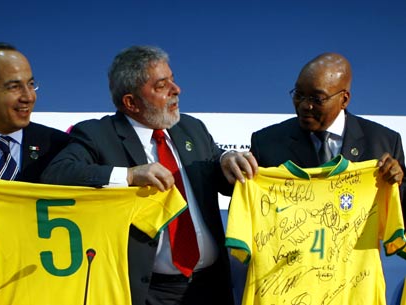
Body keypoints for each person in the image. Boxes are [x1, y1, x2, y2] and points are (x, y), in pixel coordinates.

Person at [41, 45, 257, 305]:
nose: (176, 90)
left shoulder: (192, 128)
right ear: (130, 102)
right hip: (149, 292)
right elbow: (57, 174)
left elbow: (215, 168)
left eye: (173, 80)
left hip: (211, 285)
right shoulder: (97, 135)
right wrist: (130, 175)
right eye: (161, 85)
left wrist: (227, 159)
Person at [0, 42, 70, 304]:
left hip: (45, 293)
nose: (28, 96)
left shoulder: (61, 147)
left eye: (31, 84)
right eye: (14, 86)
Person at [250, 52, 405, 214]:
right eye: (299, 95)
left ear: (344, 100)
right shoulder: (266, 143)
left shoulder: (384, 142)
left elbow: (399, 214)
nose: (304, 105)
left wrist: (396, 184)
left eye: (317, 99)